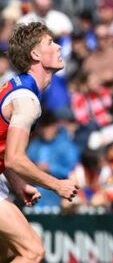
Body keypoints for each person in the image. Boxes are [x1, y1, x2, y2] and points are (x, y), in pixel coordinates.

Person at [1, 22, 81, 262]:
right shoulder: (27, 100)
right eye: (50, 42)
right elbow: (14, 158)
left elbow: (4, 153)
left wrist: (18, 185)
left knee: (7, 254)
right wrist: (56, 185)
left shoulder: (18, 88)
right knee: (32, 252)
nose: (58, 47)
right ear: (35, 55)